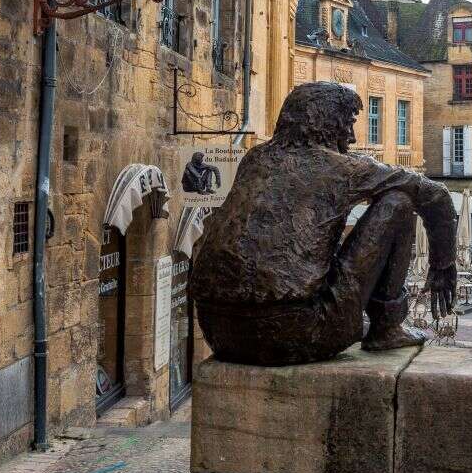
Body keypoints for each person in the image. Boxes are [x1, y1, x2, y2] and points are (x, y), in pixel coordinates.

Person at [191, 82, 458, 366]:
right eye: (348, 124)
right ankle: (386, 327)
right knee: (399, 202)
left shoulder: (255, 159)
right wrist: (443, 265)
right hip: (296, 334)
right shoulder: (342, 168)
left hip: (219, 331)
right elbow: (437, 195)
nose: (352, 137)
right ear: (328, 124)